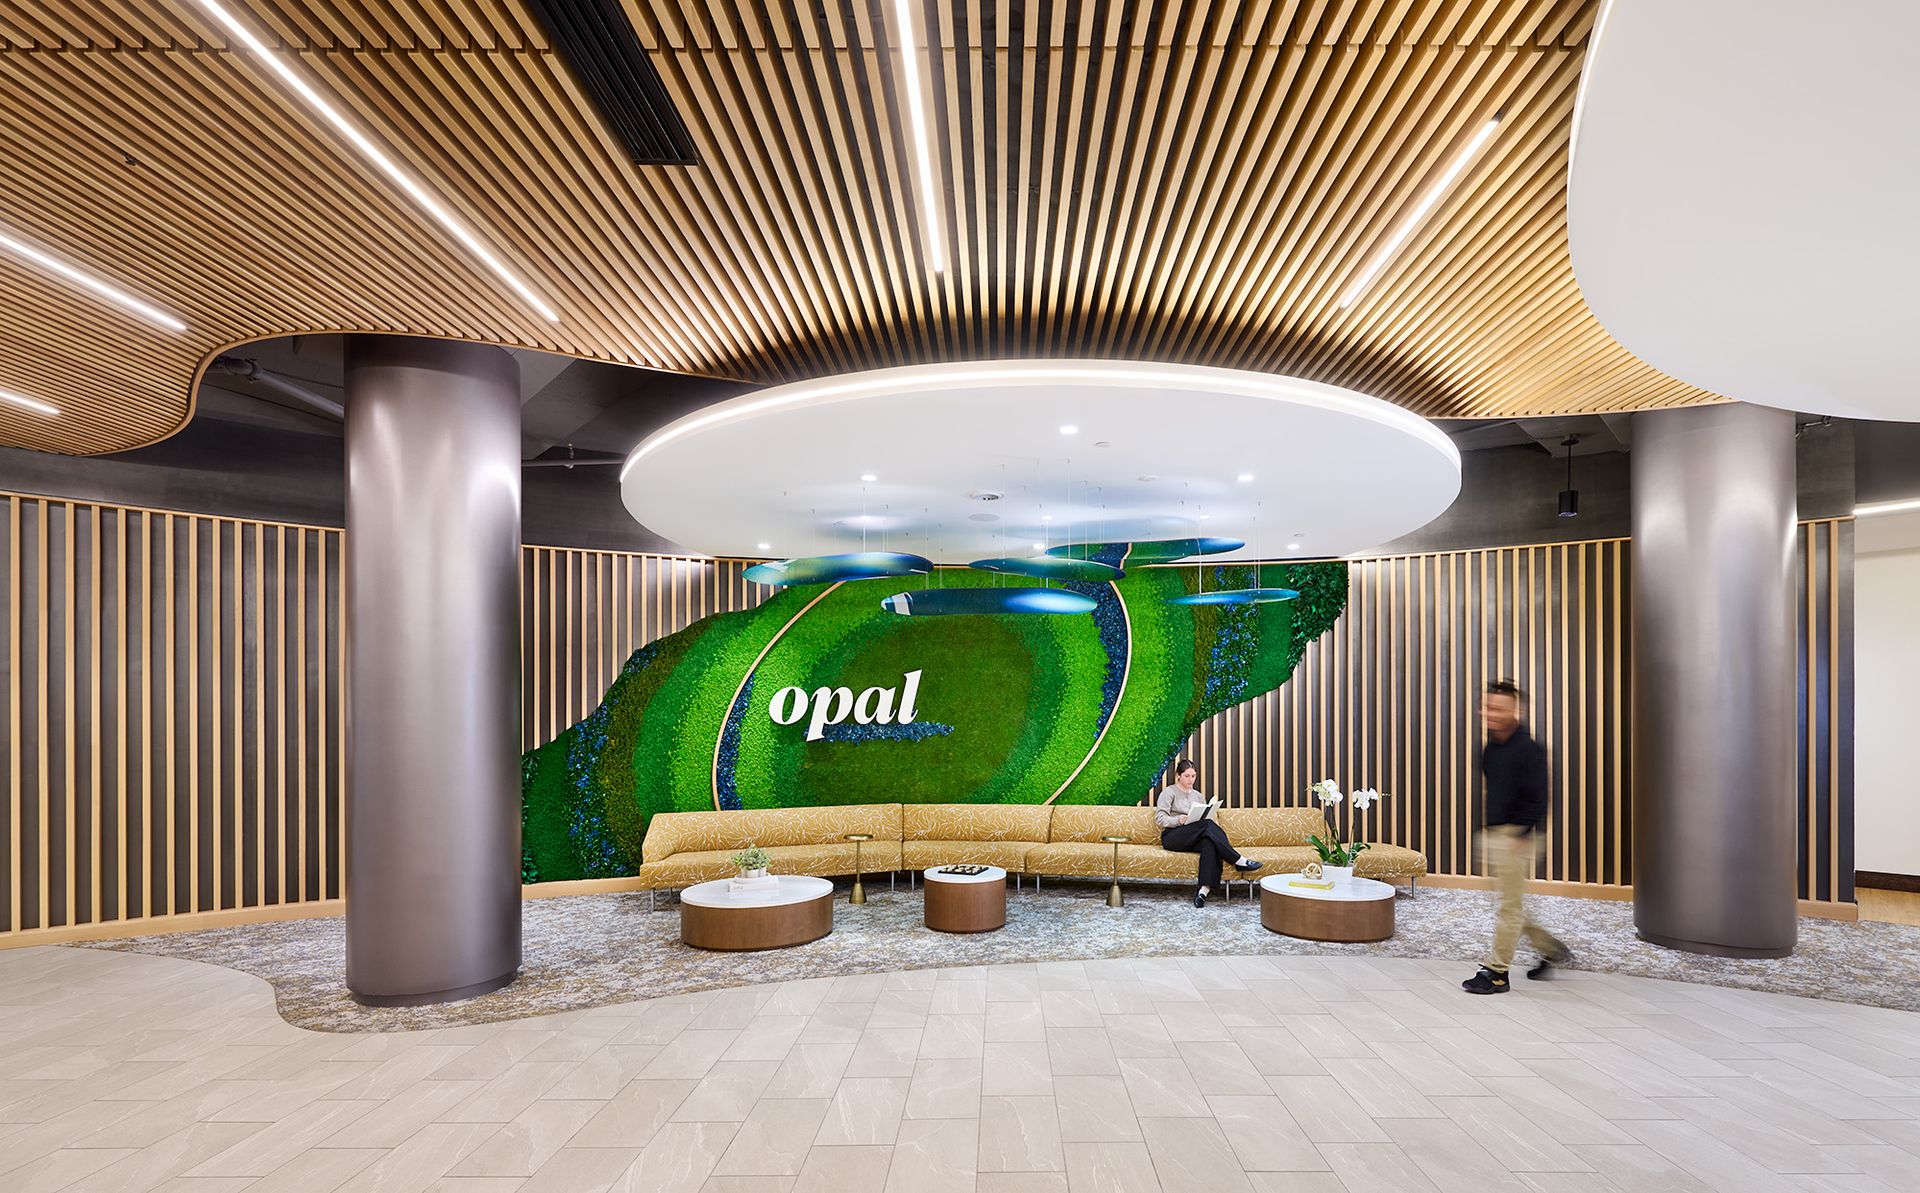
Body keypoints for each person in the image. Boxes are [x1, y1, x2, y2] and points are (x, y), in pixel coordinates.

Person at [1462, 680, 1572, 994]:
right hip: (1495, 834)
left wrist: (1521, 833)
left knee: (1509, 908)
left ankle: (1497, 973)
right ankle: (1551, 949)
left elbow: (1539, 798)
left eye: (1498, 708)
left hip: (1517, 838)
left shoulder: (1529, 750)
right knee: (1511, 905)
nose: (1490, 713)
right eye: (1487, 707)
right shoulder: (1490, 748)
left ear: (1516, 711)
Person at [1155, 759, 1262, 907]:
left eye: (1193, 776)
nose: (1190, 780)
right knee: (1207, 825)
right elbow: (1160, 819)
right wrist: (1178, 820)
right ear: (1178, 776)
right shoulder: (1169, 792)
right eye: (1187, 776)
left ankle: (1203, 891)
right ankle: (1238, 860)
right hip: (1173, 836)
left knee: (1210, 843)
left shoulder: (1198, 796)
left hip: (1194, 836)